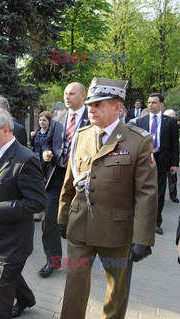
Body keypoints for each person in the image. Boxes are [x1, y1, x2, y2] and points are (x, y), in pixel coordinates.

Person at [58, 77, 157, 319]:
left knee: (116, 291)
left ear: (117, 108)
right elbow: (69, 180)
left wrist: (143, 237)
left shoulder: (138, 140)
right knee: (74, 285)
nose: (91, 109)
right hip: (80, 225)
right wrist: (62, 216)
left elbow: (147, 193)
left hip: (117, 231)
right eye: (90, 104)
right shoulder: (82, 135)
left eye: (98, 104)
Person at [0, 108, 46, 319]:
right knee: (9, 276)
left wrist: (0, 208)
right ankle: (26, 298)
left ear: (5, 130)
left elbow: (37, 202)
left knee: (2, 285)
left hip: (14, 240)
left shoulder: (25, 159)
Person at [39, 82, 89, 278]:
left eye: (72, 94)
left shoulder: (91, 117)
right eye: (65, 93)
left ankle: (81, 262)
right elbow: (46, 141)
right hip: (57, 175)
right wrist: (46, 152)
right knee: (49, 222)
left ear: (83, 96)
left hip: (81, 177)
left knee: (80, 223)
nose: (67, 97)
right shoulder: (59, 117)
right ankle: (54, 261)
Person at [131, 93, 179, 234]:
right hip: (144, 160)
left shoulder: (169, 122)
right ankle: (140, 220)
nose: (150, 105)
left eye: (154, 102)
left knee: (159, 192)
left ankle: (156, 222)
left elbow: (174, 144)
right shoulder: (141, 121)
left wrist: (175, 163)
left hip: (162, 160)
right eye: (149, 102)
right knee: (140, 190)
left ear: (161, 104)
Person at [31, 111, 52, 222]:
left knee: (44, 186)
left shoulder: (50, 133)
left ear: (49, 121)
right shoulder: (37, 133)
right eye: (40, 120)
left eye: (44, 120)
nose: (42, 122)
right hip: (36, 161)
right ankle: (37, 209)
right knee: (36, 186)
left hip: (46, 163)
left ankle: (41, 211)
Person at [164, 109, 179, 203]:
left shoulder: (174, 125)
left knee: (172, 176)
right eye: (171, 116)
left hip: (170, 156)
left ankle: (173, 195)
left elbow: (175, 143)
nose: (173, 118)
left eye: (174, 116)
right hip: (161, 156)